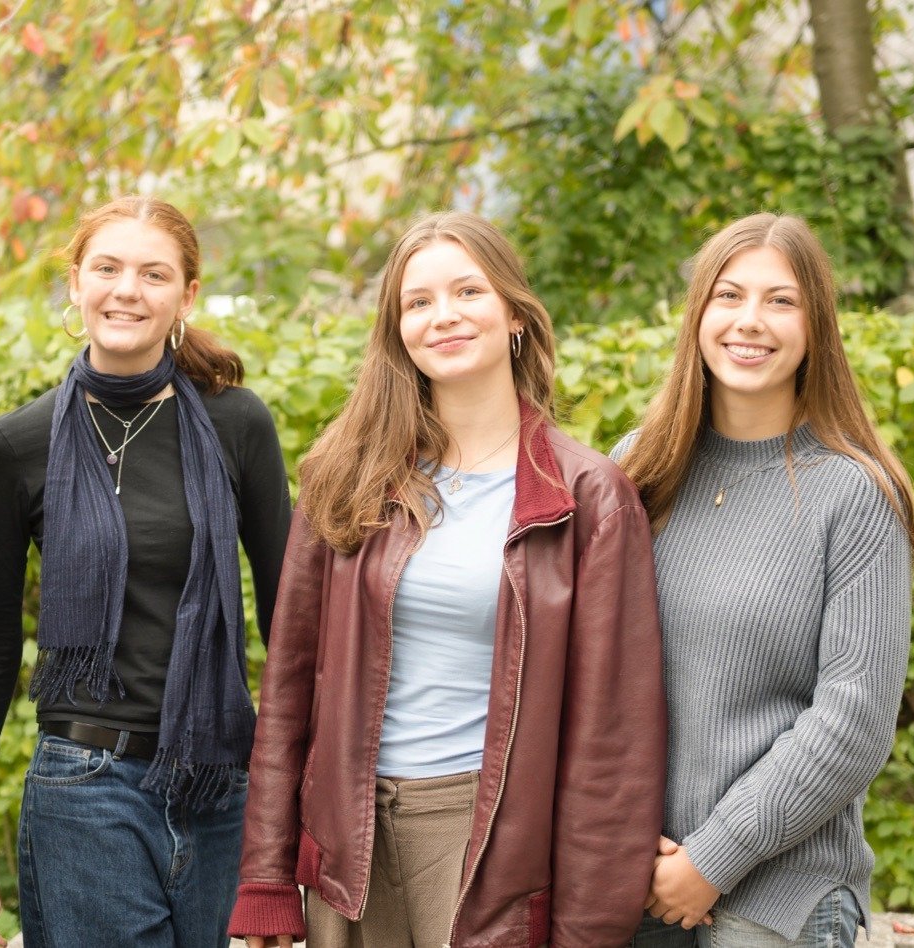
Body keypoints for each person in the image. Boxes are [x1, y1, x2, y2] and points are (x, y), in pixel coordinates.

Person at [228, 210, 667, 948]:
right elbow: (290, 688)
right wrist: (267, 878)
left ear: (515, 314)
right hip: (348, 846)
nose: (444, 316)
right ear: (397, 328)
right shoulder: (345, 478)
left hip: (485, 845)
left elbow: (612, 745)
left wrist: (588, 932)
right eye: (419, 301)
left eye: (468, 291)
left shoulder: (588, 497)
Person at [0, 195, 292, 948]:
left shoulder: (237, 424)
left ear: (186, 295)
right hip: (85, 787)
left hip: (220, 784)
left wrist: (297, 791)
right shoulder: (17, 446)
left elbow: (290, 618)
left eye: (153, 274)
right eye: (106, 268)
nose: (127, 290)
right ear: (75, 282)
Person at [616, 213, 914, 947]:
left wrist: (712, 859)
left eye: (781, 301)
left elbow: (852, 720)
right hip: (631, 880)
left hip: (781, 899)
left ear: (817, 327)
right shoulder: (638, 469)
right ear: (698, 315)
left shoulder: (855, 494)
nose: (750, 320)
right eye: (729, 295)